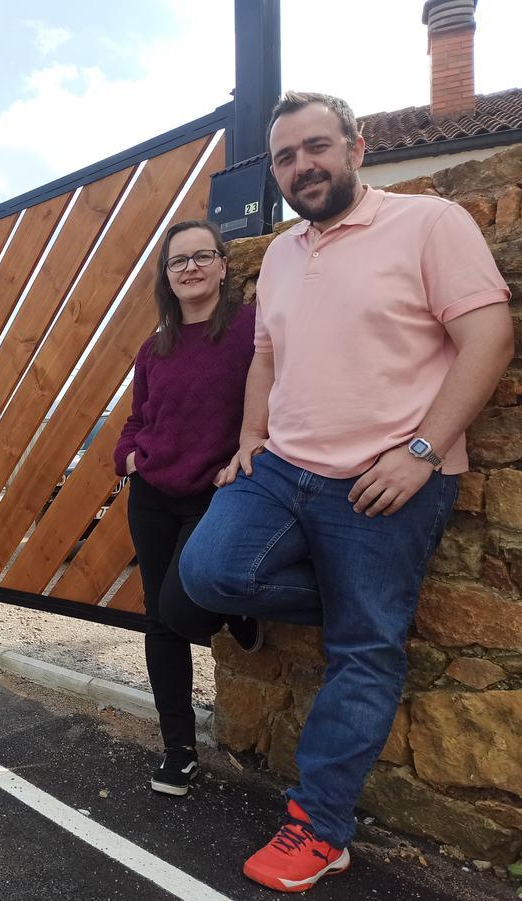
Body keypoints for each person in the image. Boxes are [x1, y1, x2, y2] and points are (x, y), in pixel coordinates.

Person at [178, 91, 513, 893]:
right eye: (287, 157)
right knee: (208, 574)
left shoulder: (429, 225)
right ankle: (367, 607)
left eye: (317, 147)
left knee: (364, 652)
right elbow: (265, 355)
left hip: (385, 479)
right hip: (284, 468)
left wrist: (423, 452)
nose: (303, 166)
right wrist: (252, 436)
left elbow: (489, 335)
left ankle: (319, 827)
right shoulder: (287, 253)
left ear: (357, 147)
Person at [113, 219, 263, 799]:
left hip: (217, 493)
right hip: (152, 494)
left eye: (202, 256)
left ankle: (233, 606)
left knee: (183, 609)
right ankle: (179, 750)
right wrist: (127, 455)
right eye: (179, 262)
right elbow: (135, 418)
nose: (191, 268)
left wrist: (253, 447)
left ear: (224, 266)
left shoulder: (251, 330)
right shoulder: (156, 348)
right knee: (159, 619)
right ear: (167, 277)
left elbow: (280, 394)